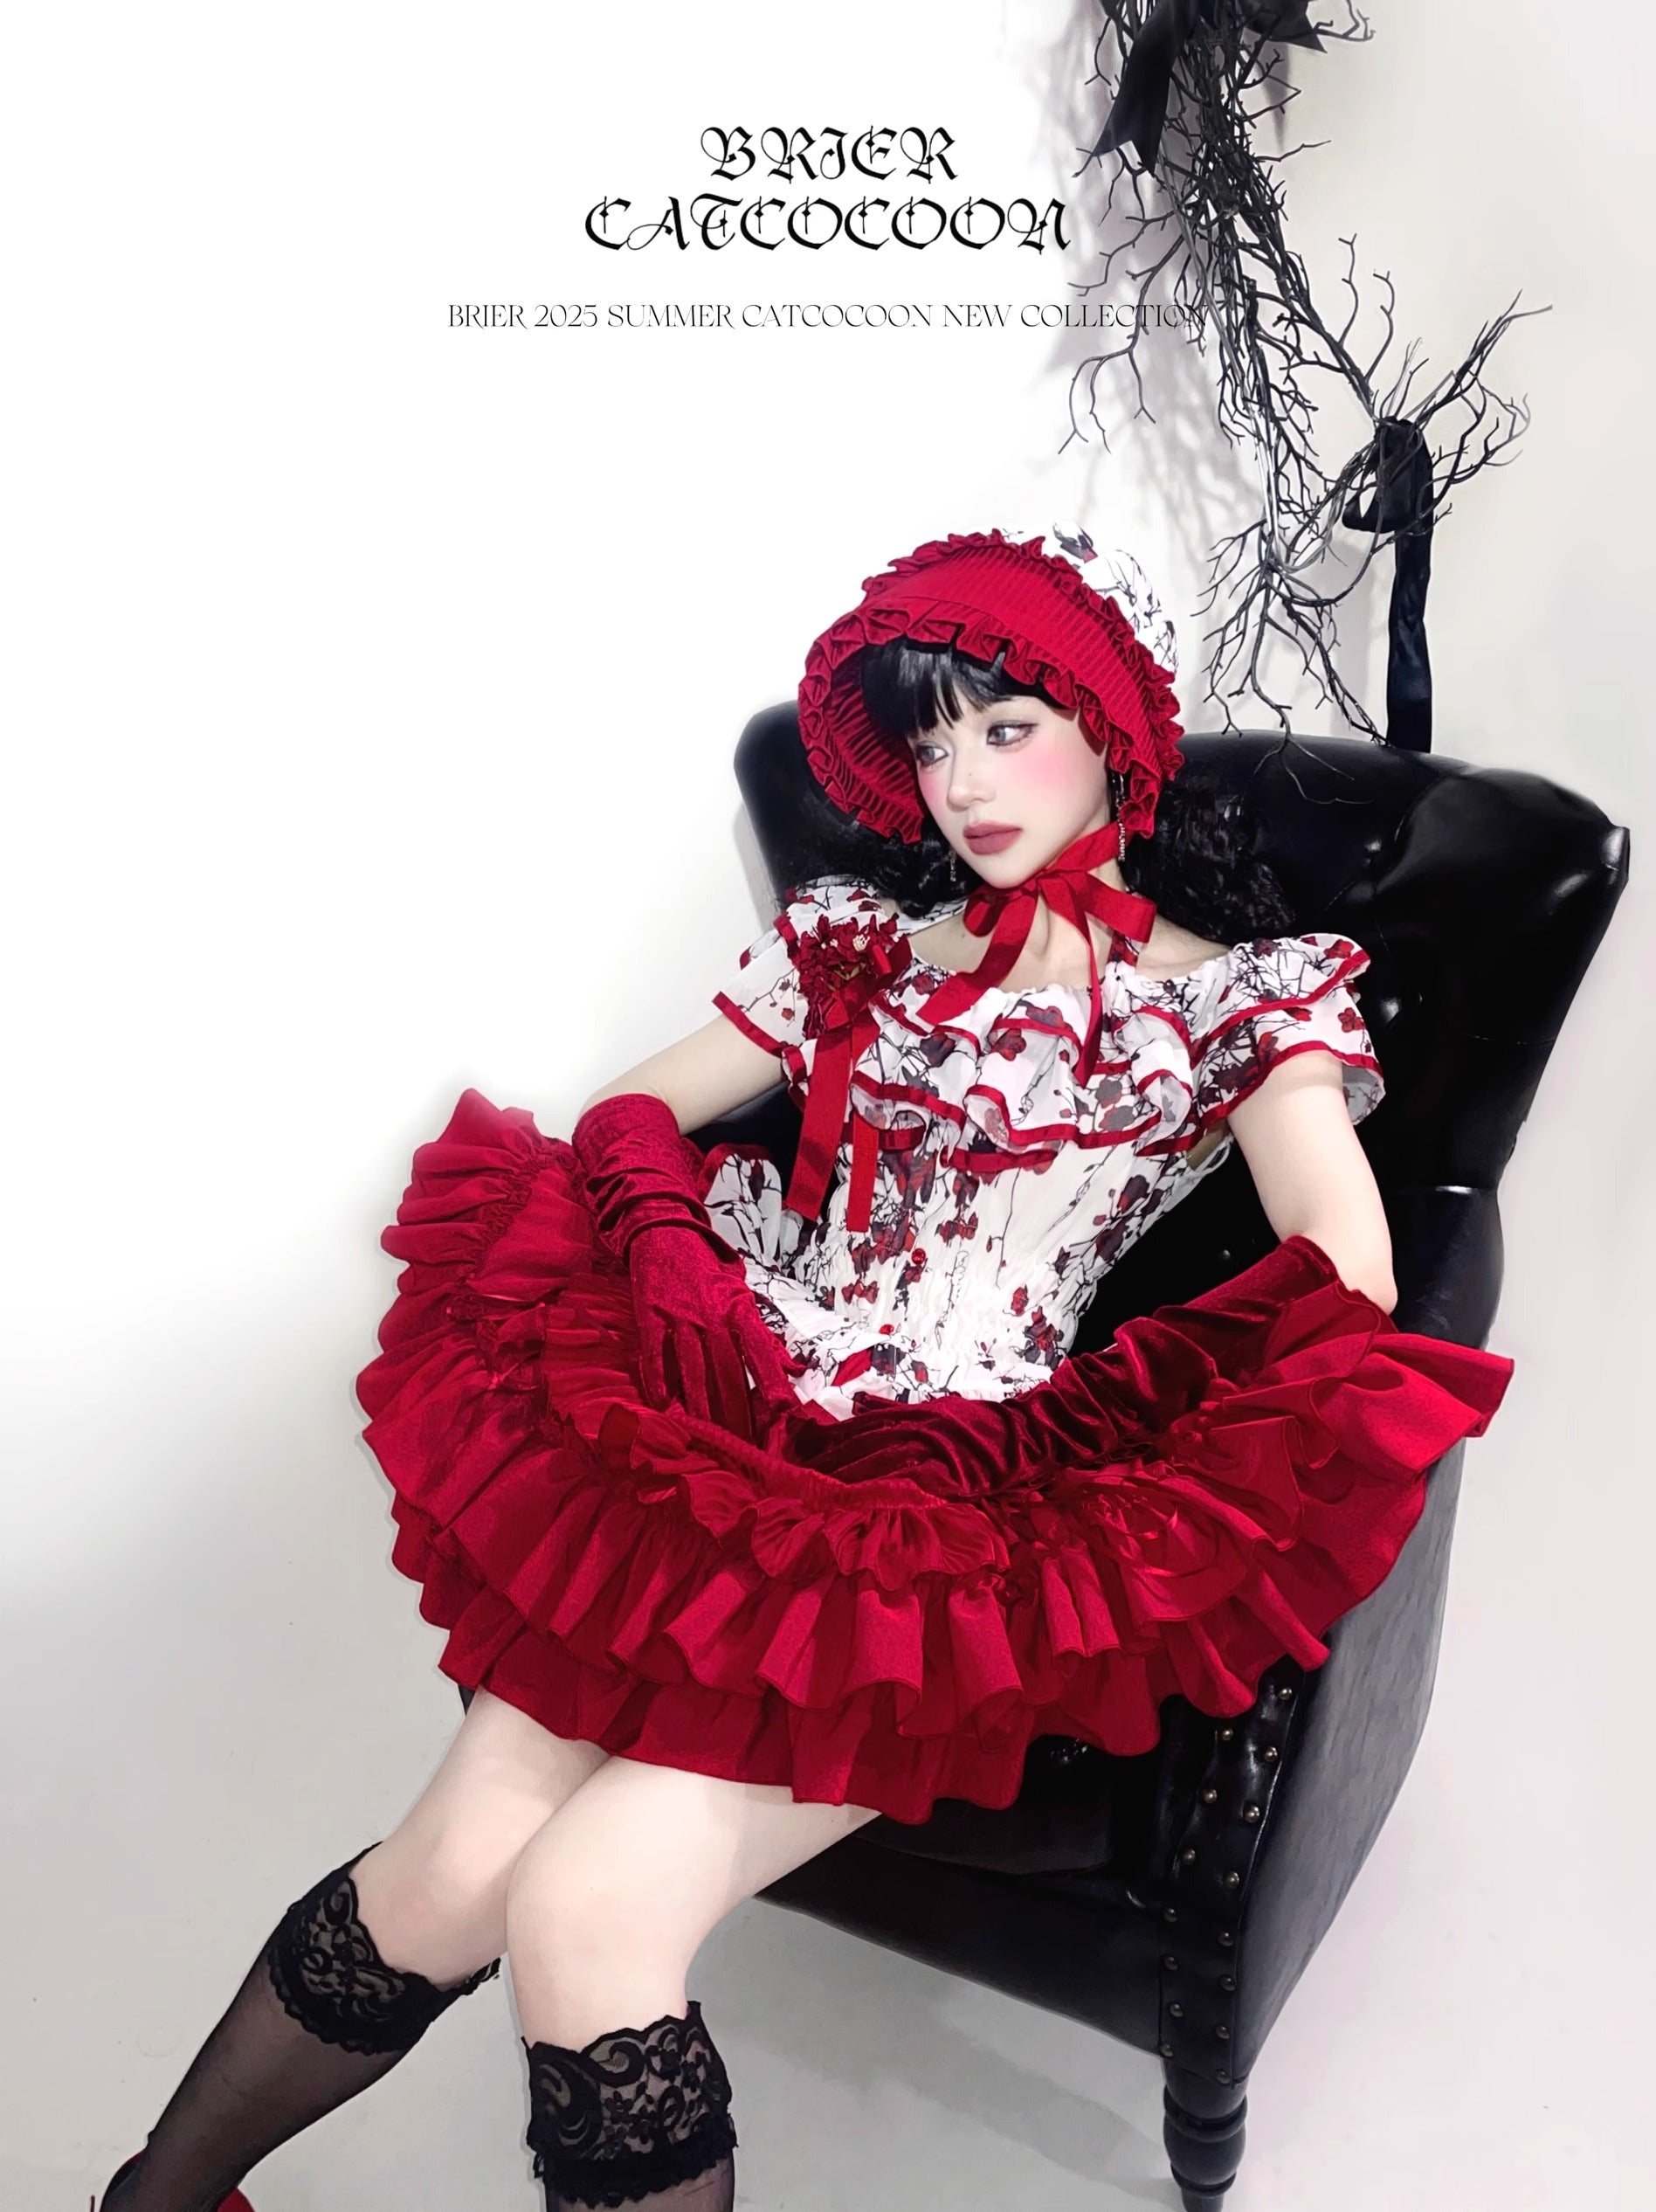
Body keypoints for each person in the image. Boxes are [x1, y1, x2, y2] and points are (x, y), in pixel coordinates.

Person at [94, 526, 1514, 2212]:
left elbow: (1345, 1277)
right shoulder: (859, 947)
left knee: (589, 1910)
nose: (962, 785)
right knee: (448, 1868)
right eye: (931, 742)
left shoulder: (1236, 1005)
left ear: (1113, 735)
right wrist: (670, 1249)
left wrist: (1085, 1423)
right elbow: (633, 1108)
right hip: (717, 1416)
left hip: (931, 1499)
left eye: (1006, 729)